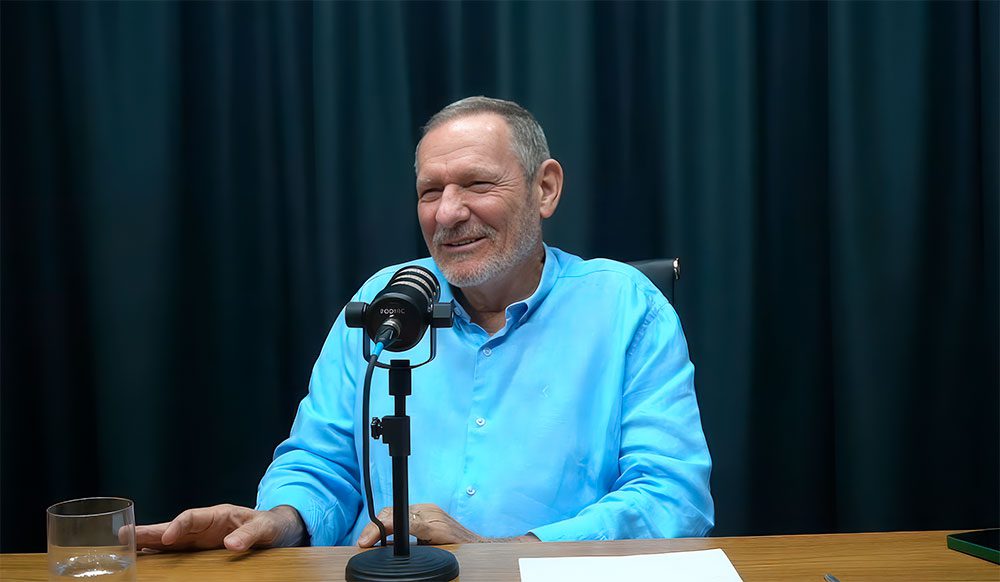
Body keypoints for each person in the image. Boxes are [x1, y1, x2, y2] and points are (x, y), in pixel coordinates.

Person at [135, 96, 714, 552]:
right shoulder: (382, 302)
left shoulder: (625, 308)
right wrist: (281, 519)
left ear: (545, 189)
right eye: (430, 192)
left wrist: (500, 555)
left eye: (477, 184)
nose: (447, 213)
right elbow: (322, 461)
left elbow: (672, 497)